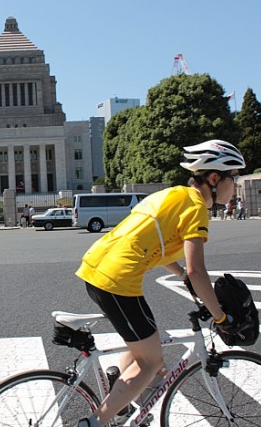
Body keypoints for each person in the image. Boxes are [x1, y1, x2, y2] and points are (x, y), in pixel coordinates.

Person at [75, 140, 246, 427]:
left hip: (99, 267)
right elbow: (198, 270)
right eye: (234, 178)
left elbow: (158, 245)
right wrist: (220, 316)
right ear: (215, 179)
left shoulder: (174, 195)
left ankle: (120, 385)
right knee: (152, 362)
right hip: (118, 279)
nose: (235, 186)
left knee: (149, 339)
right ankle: (95, 422)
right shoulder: (195, 208)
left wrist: (181, 276)